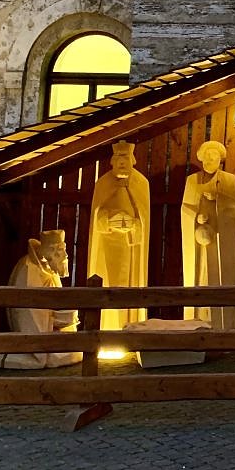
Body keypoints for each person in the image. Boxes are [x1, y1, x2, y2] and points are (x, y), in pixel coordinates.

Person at [0, 229, 82, 369]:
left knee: (72, 350)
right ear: (52, 251)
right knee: (50, 355)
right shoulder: (28, 269)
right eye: (61, 250)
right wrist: (51, 319)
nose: (66, 255)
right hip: (36, 332)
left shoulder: (49, 269)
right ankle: (37, 354)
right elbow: (28, 311)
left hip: (51, 328)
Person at [88, 140, 149, 330]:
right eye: (118, 158)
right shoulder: (103, 183)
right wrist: (108, 220)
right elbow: (96, 214)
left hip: (130, 246)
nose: (122, 162)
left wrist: (135, 224)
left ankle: (129, 326)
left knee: (129, 286)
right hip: (108, 244)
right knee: (107, 282)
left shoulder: (140, 183)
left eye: (126, 158)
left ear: (132, 160)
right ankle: (107, 327)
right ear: (113, 161)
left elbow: (144, 215)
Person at [181, 140, 235, 329]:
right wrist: (196, 217)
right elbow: (186, 207)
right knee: (200, 275)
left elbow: (234, 207)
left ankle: (224, 323)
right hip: (199, 240)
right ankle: (197, 321)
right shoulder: (192, 180)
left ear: (220, 160)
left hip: (219, 237)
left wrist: (218, 200)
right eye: (206, 157)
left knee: (220, 274)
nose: (209, 160)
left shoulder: (229, 180)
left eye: (213, 157)